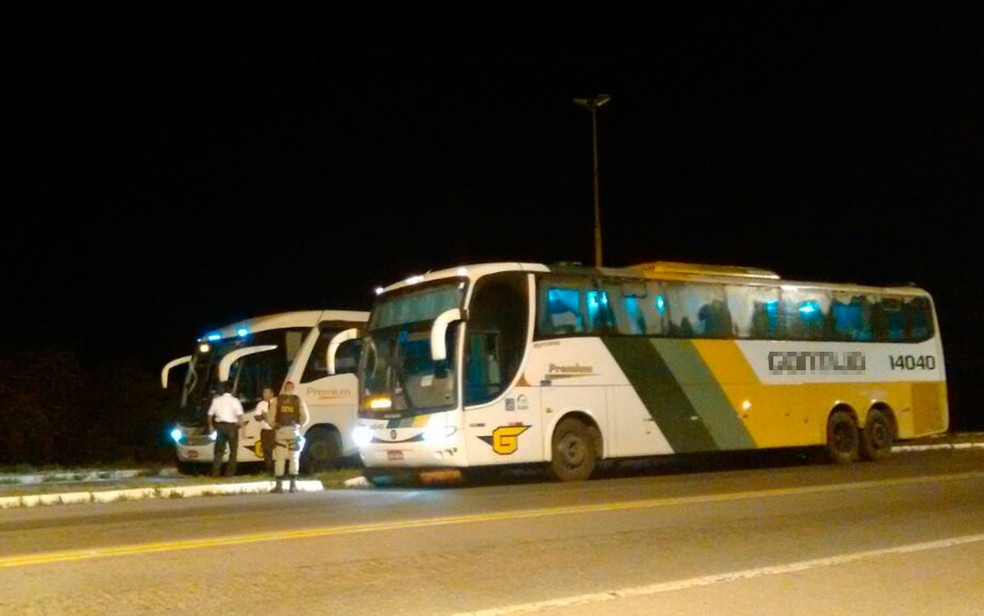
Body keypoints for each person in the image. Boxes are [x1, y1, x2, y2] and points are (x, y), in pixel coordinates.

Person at [269, 380, 309, 493]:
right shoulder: (298, 400)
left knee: (280, 459)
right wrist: (299, 425)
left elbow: (270, 418)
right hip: (293, 432)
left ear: (284, 388)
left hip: (280, 432)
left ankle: (279, 486)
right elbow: (305, 417)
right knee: (294, 458)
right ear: (293, 388)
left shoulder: (277, 400)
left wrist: (274, 425)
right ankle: (293, 485)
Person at [206, 381, 245, 477]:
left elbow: (210, 414)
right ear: (232, 390)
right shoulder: (235, 400)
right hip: (232, 427)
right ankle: (229, 473)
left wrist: (210, 426)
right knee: (233, 451)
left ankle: (215, 473)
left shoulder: (216, 400)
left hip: (220, 427)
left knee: (219, 451)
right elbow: (240, 416)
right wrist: (243, 428)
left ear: (223, 390)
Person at [253, 386, 277, 476]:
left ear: (272, 394)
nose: (265, 395)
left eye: (267, 392)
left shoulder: (277, 402)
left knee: (278, 451)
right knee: (267, 452)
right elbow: (256, 417)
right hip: (266, 431)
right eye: (264, 393)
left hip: (276, 430)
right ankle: (270, 470)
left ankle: (279, 470)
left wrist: (270, 417)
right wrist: (263, 416)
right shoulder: (261, 404)